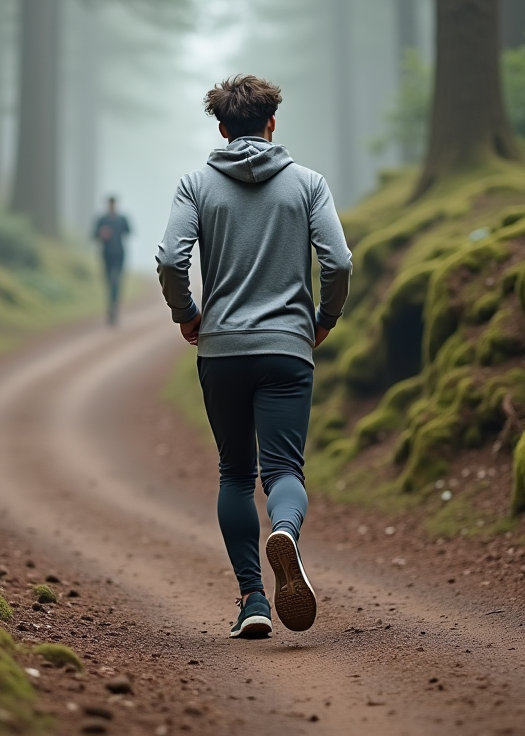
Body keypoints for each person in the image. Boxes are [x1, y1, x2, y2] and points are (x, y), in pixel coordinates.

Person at [156, 75, 352, 638]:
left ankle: (253, 601)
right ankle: (285, 531)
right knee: (284, 470)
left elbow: (171, 258)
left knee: (236, 474)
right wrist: (324, 319)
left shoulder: (196, 185)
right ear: (271, 124)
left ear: (221, 128)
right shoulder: (308, 185)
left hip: (221, 351)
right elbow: (338, 263)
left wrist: (186, 314)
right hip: (289, 348)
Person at [93, 195, 131, 326]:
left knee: (116, 281)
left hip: (119, 254)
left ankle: (114, 308)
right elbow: (93, 235)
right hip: (106, 255)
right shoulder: (102, 220)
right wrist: (101, 233)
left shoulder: (122, 219)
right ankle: (111, 306)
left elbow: (129, 231)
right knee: (109, 281)